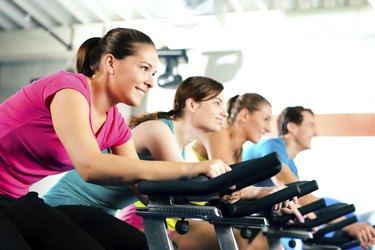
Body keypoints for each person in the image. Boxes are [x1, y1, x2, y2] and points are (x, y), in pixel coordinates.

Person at [0, 27, 231, 250]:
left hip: (14, 195)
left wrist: (219, 191)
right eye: (144, 68)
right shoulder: (70, 90)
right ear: (110, 62)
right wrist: (192, 168)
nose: (151, 81)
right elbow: (90, 166)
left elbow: (142, 184)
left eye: (153, 73)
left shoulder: (115, 125)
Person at [171, 93, 304, 250]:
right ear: (245, 114)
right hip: (174, 220)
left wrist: (277, 200)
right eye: (265, 119)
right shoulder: (217, 132)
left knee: (265, 243)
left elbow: (233, 195)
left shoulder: (238, 152)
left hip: (192, 217)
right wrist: (269, 191)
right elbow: (229, 183)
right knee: (238, 242)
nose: (268, 128)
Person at [242, 106, 375, 249]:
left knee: (345, 216)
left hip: (272, 221)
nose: (316, 132)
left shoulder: (291, 164)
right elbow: (294, 192)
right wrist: (348, 225)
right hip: (251, 222)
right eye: (311, 125)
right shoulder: (271, 145)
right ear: (292, 127)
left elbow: (298, 201)